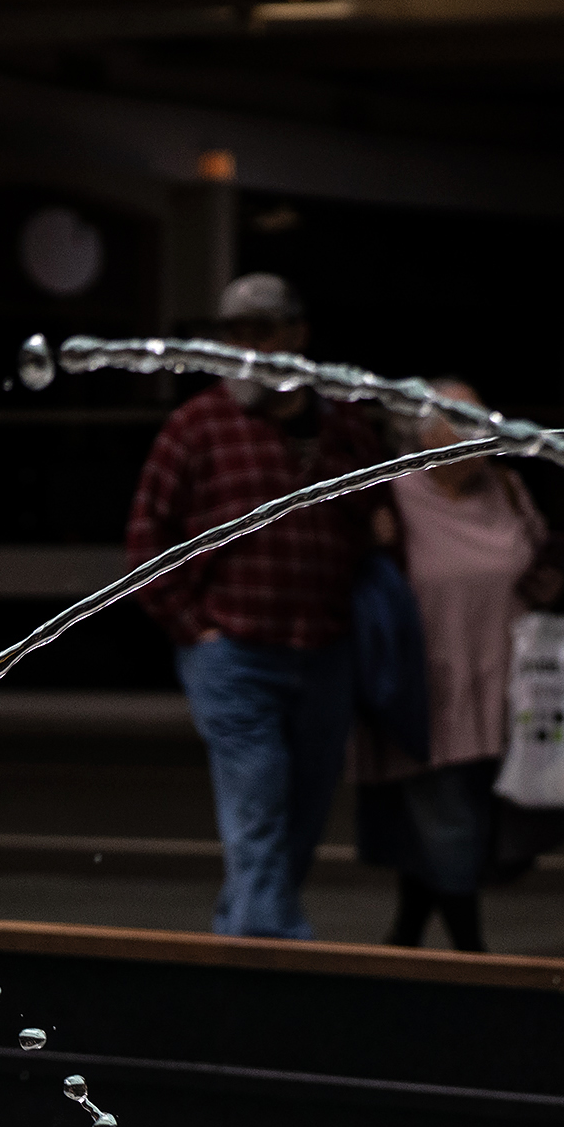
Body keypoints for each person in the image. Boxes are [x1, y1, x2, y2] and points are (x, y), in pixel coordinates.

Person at [124, 273, 381, 939]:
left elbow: (369, 520)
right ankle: (275, 953)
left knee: (301, 814)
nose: (248, 347)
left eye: (262, 331)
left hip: (323, 647)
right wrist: (193, 627)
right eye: (234, 333)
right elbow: (148, 535)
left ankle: (238, 942)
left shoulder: (342, 424)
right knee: (259, 803)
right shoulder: (199, 425)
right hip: (235, 650)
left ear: (298, 335)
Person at [354, 378, 564, 952]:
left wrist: (549, 583)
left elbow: (543, 557)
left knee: (452, 818)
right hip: (428, 688)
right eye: (460, 420)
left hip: (504, 685)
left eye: (482, 419)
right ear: (425, 434)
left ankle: (405, 936)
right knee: (450, 819)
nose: (481, 434)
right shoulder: (391, 496)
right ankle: (471, 955)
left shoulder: (509, 488)